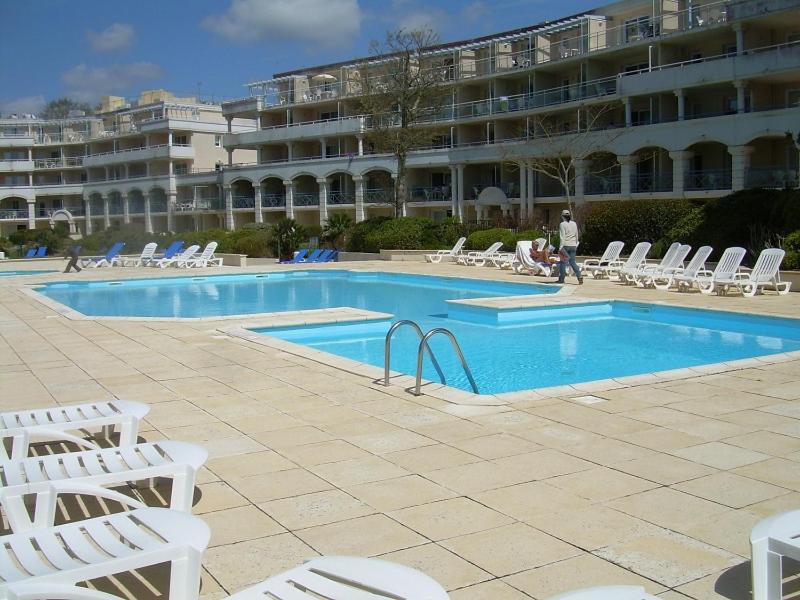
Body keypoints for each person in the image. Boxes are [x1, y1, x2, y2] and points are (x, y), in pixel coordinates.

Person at [557, 209, 583, 284]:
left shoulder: (562, 224)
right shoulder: (574, 224)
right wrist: (576, 243)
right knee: (572, 262)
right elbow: (576, 235)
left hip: (565, 245)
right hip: (573, 245)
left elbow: (562, 237)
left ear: (562, 216)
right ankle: (579, 276)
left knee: (563, 262)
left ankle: (561, 279)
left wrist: (560, 247)